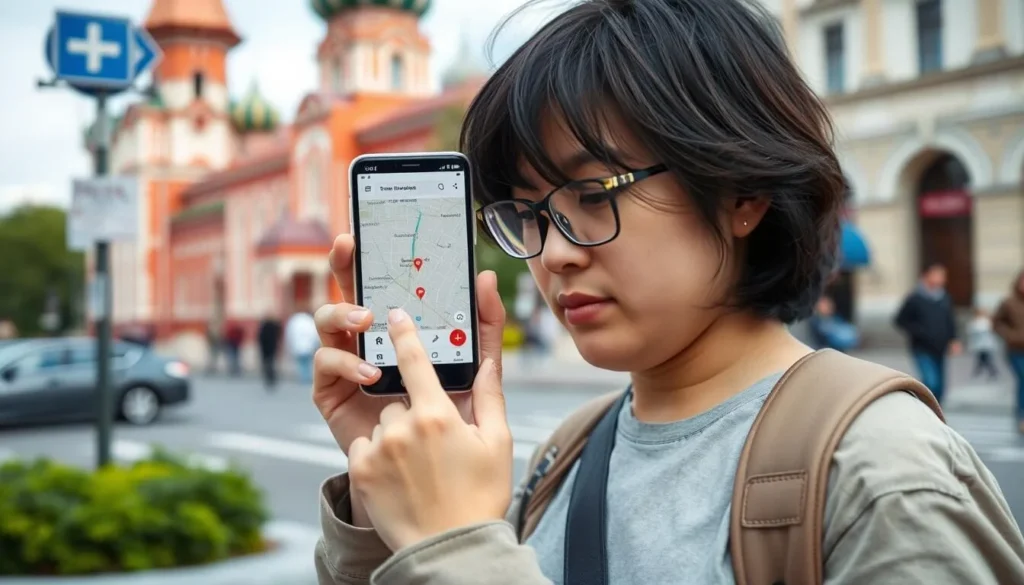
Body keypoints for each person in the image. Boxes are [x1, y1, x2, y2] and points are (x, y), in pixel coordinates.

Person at [310, 1, 1024, 583]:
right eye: (529, 212)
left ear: (742, 191)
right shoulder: (571, 451)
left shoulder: (881, 475)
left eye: (591, 193)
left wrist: (460, 550)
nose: (554, 252)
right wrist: (391, 510)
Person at [894, 263, 962, 404]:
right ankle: (925, 408)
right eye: (938, 275)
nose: (942, 279)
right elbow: (900, 320)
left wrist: (954, 339)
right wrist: (919, 331)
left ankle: (936, 413)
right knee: (931, 382)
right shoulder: (915, 298)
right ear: (927, 275)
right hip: (922, 347)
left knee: (941, 387)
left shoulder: (944, 298)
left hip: (940, 347)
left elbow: (950, 321)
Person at [994, 270, 1024, 434]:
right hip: (1016, 349)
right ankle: (1022, 416)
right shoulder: (1009, 303)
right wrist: (1009, 335)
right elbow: (997, 323)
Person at [285, 304, 319, 385]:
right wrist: (315, 344)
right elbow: (314, 333)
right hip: (308, 346)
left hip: (298, 345)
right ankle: (307, 377)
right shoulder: (309, 320)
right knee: (307, 362)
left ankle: (303, 377)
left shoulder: (294, 320)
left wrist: (290, 345)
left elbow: (290, 334)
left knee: (301, 363)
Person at [968, 307, 999, 380]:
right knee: (984, 359)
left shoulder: (981, 323)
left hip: (984, 345)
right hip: (982, 345)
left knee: (984, 360)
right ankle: (990, 372)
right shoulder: (978, 323)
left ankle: (982, 371)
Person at [258, 312, 282, 390]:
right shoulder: (275, 326)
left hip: (265, 348)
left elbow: (260, 338)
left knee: (267, 363)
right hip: (272, 347)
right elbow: (279, 334)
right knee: (271, 362)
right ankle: (272, 377)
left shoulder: (264, 326)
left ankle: (269, 377)